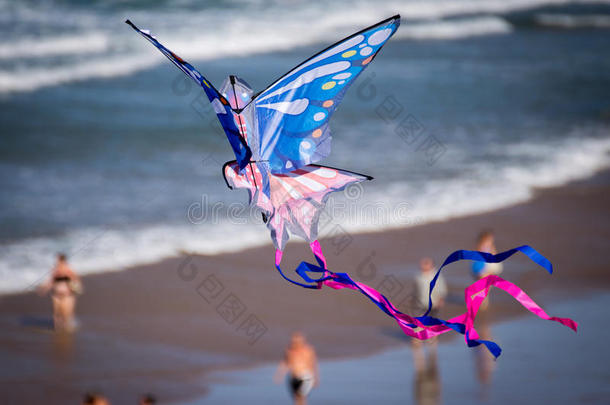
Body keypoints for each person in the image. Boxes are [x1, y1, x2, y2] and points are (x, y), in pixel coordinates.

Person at [39, 253, 82, 331]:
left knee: (66, 314)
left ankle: (67, 330)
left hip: (67, 295)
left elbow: (76, 281)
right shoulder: (55, 270)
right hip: (56, 295)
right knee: (56, 313)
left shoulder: (68, 270)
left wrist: (75, 288)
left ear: (62, 261)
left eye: (57, 260)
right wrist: (44, 289)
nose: (56, 262)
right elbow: (51, 281)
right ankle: (57, 329)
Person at [274, 332, 319, 405]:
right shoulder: (289, 351)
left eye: (298, 341)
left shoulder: (308, 351)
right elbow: (285, 363)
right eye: (294, 341)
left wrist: (316, 378)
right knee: (295, 398)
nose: (295, 343)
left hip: (305, 377)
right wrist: (279, 375)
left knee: (301, 397)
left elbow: (313, 365)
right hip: (293, 377)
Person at [471, 230, 502, 310]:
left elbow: (494, 255)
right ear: (484, 239)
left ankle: (481, 299)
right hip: (480, 267)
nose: (491, 241)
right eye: (490, 239)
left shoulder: (490, 246)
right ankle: (478, 298)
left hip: (486, 267)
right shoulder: (481, 247)